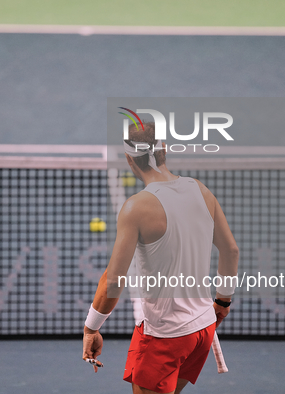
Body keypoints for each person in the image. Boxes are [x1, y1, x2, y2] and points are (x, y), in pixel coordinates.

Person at [82, 122, 239, 394]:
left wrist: (91, 328)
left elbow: (113, 282)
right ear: (164, 149)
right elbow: (230, 250)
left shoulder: (136, 208)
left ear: (130, 160)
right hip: (202, 330)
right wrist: (223, 301)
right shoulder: (200, 190)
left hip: (166, 336)